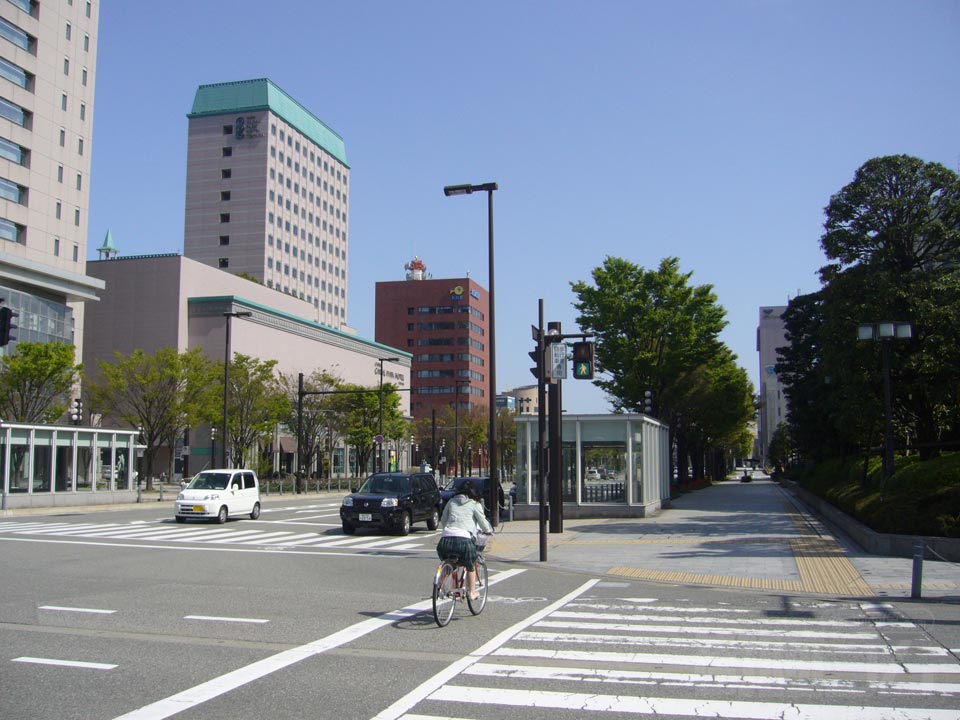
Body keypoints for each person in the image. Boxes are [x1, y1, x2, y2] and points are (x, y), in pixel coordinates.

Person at [436, 479, 492, 600]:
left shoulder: (451, 502)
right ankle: (471, 592)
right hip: (464, 541)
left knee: (449, 562)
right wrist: (488, 531)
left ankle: (439, 585)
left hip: (445, 541)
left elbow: (443, 521)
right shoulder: (474, 504)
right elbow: (483, 524)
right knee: (470, 564)